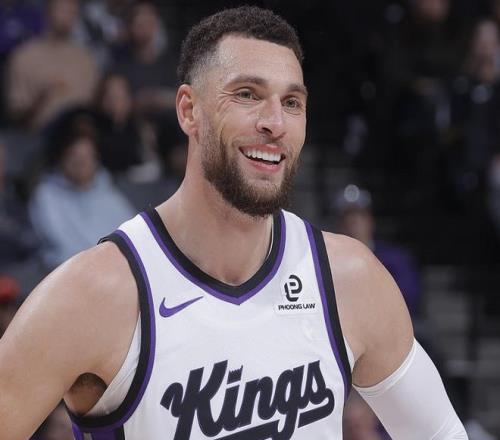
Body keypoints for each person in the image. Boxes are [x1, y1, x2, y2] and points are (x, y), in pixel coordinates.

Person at [0, 6, 467, 439]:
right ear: (188, 110)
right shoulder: (95, 293)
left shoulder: (348, 278)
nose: (275, 122)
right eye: (247, 94)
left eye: (292, 102)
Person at [5, 0, 99, 131]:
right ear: (47, 13)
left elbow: (93, 106)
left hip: (75, 137)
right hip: (34, 136)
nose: (67, 17)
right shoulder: (24, 57)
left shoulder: (86, 60)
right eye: (62, 10)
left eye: (72, 12)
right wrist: (40, 100)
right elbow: (15, 113)